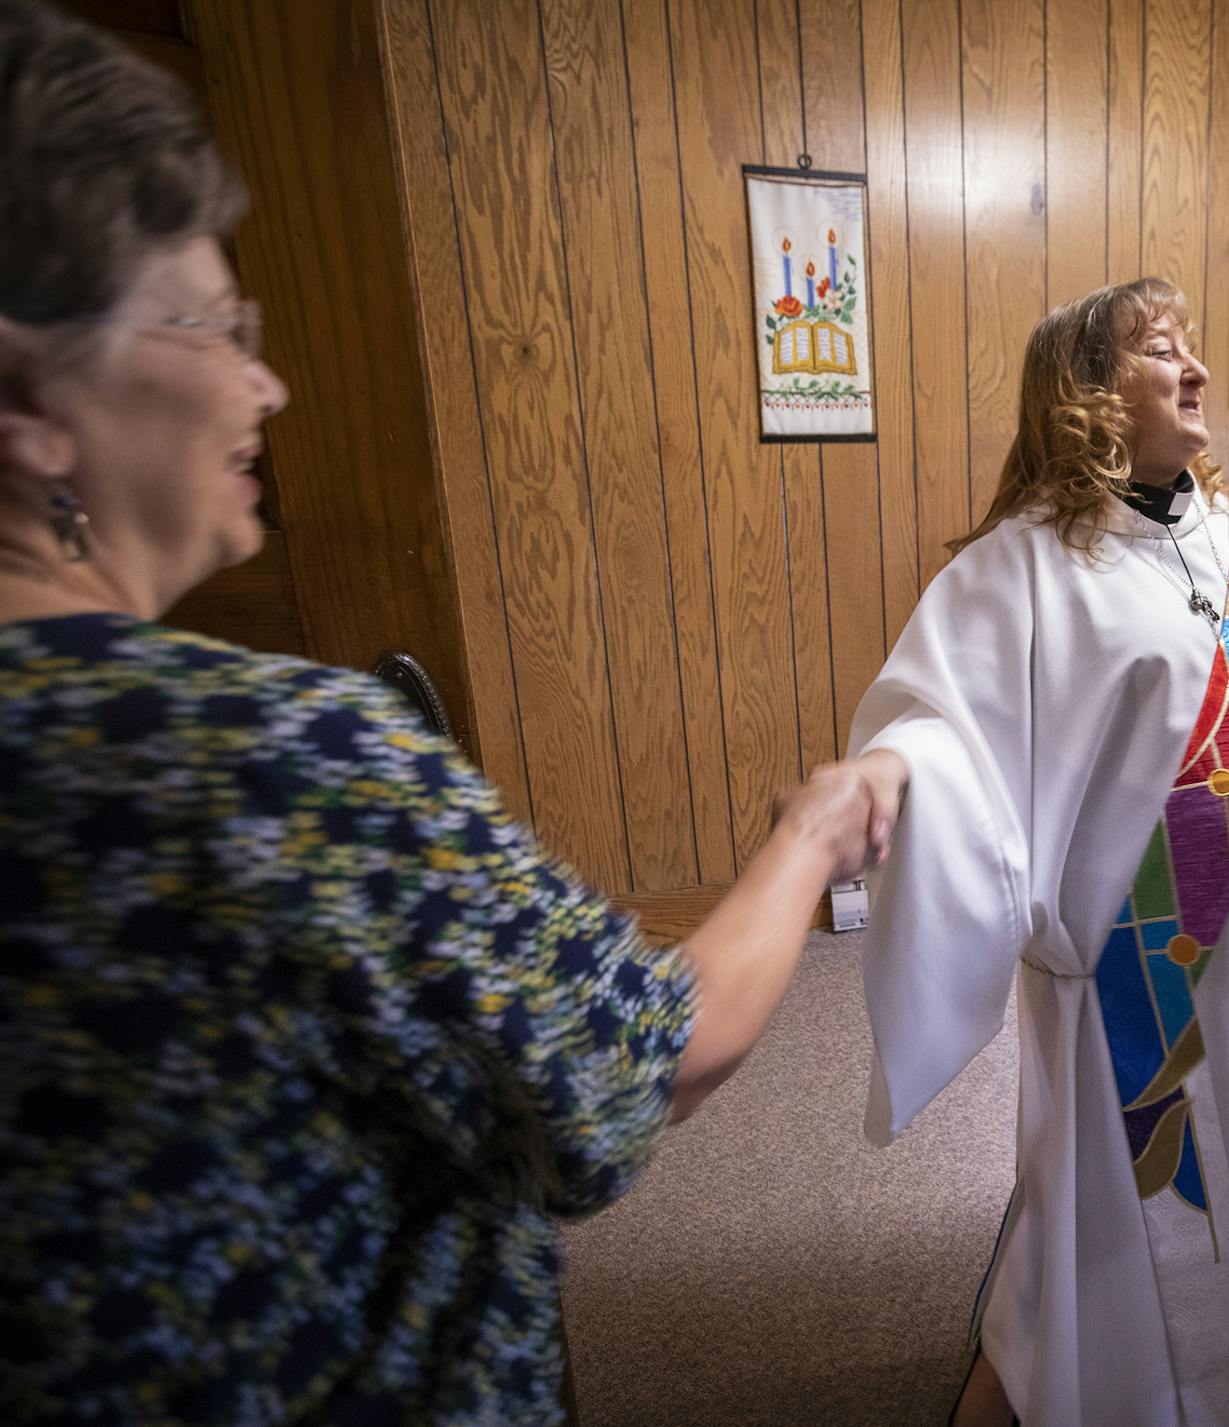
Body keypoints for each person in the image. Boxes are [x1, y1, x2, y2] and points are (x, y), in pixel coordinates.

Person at [0, 4, 879, 1421]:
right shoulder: (281, 760)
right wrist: (809, 834)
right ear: (29, 393)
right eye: (213, 325)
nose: (263, 380)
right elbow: (633, 1068)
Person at [841, 277, 1229, 1427]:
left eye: (1190, 349)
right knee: (1108, 1224)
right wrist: (894, 774)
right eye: (1159, 350)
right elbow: (939, 728)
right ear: (1086, 392)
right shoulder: (1022, 567)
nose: (1194, 371)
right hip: (1142, 969)